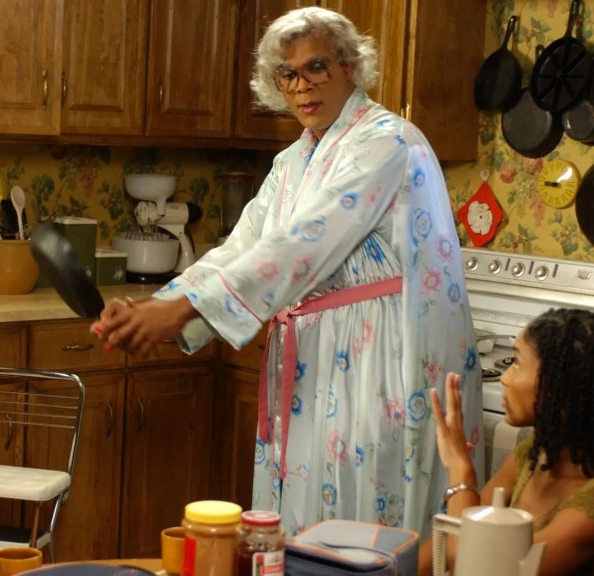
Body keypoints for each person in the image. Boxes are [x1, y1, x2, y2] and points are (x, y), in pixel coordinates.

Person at [94, 6, 482, 537]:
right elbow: (243, 248)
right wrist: (158, 307)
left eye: (316, 67)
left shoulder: (387, 142)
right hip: (312, 364)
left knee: (359, 524)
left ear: (349, 67)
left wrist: (183, 309)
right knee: (302, 518)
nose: (302, 86)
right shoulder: (293, 161)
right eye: (287, 74)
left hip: (377, 362)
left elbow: (303, 242)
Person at [422, 308, 594, 576]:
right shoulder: (533, 456)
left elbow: (474, 568)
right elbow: (441, 551)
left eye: (517, 363)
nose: (505, 377)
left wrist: (461, 471)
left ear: (561, 386)